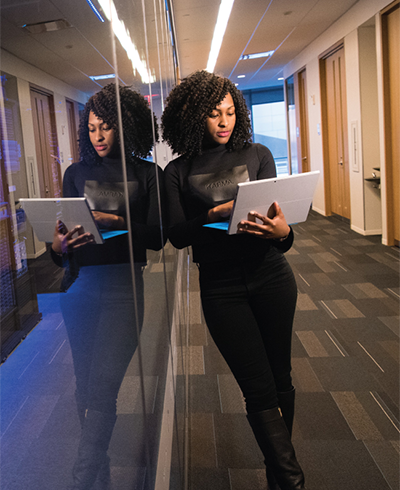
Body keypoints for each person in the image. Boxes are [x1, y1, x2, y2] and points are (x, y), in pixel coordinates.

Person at [162, 70, 306, 490]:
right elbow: (175, 235)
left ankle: (279, 475)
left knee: (281, 378)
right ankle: (292, 480)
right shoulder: (178, 170)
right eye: (213, 114)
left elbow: (278, 232)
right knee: (258, 388)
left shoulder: (258, 154)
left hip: (272, 277)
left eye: (229, 112)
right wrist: (211, 216)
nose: (223, 122)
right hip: (221, 289)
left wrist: (286, 234)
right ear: (193, 116)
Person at [51, 83, 164, 490]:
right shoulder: (75, 173)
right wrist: (60, 245)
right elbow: (60, 249)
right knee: (85, 389)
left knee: (102, 390)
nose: (98, 136)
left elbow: (156, 237)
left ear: (126, 127)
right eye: (93, 128)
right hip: (79, 288)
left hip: (124, 291)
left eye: (107, 127)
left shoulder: (146, 173)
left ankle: (81, 480)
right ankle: (99, 478)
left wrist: (117, 223)